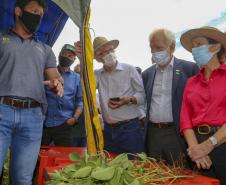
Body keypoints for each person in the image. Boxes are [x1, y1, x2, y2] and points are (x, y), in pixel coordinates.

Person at [0, 0, 64, 184]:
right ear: (19, 11)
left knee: (22, 178)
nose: (37, 17)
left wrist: (57, 83)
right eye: (34, 11)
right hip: (2, 110)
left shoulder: (45, 49)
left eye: (41, 15)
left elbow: (55, 77)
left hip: (33, 117)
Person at [75, 36, 145, 154]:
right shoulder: (97, 75)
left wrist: (129, 99)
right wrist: (83, 59)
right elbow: (86, 85)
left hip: (130, 129)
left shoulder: (129, 69)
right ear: (97, 59)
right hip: (108, 131)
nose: (107, 54)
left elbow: (143, 95)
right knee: (111, 165)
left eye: (109, 50)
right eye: (102, 53)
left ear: (114, 50)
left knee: (133, 165)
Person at [142, 28, 199, 166]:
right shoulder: (147, 74)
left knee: (181, 172)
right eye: (152, 48)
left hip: (178, 134)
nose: (155, 52)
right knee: (156, 173)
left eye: (159, 47)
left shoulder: (190, 69)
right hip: (153, 134)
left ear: (172, 47)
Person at [180, 26, 226, 185]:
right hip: (197, 147)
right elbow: (185, 120)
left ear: (216, 47)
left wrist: (209, 145)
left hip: (222, 143)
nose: (194, 50)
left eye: (198, 43)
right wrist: (195, 149)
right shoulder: (190, 83)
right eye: (192, 46)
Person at [42, 44, 83, 146]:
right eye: (64, 54)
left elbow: (80, 101)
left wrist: (74, 118)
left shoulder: (76, 78)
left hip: (65, 124)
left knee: (65, 157)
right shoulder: (47, 73)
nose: (66, 57)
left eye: (70, 56)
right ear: (59, 55)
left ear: (74, 59)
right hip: (43, 123)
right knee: (39, 157)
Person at [70, 63, 87, 147]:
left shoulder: (89, 91)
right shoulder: (70, 90)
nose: (79, 77)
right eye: (77, 74)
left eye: (81, 74)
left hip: (86, 134)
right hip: (72, 133)